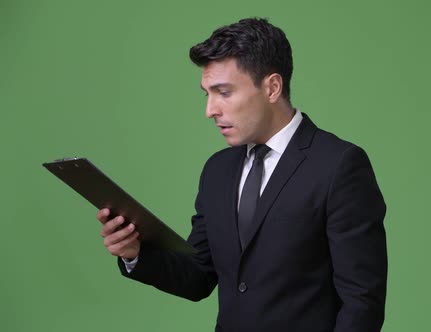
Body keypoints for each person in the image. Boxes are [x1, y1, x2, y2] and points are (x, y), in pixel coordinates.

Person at [97, 17, 387, 332]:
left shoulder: (339, 165)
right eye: (206, 93)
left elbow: (362, 303)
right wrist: (135, 253)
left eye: (223, 93)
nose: (210, 110)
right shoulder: (217, 170)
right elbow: (199, 275)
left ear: (272, 87)